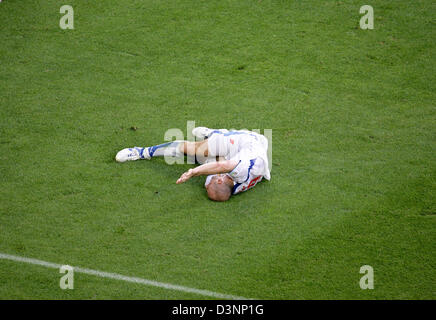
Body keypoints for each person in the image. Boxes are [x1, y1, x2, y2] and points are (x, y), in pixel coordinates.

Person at [115, 127, 270, 201]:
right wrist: (193, 172)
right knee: (193, 149)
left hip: (242, 156)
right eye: (208, 183)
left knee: (200, 157)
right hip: (247, 141)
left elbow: (219, 167)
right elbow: (220, 166)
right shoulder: (240, 172)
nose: (206, 183)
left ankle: (212, 136)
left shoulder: (229, 188)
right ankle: (140, 152)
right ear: (221, 179)